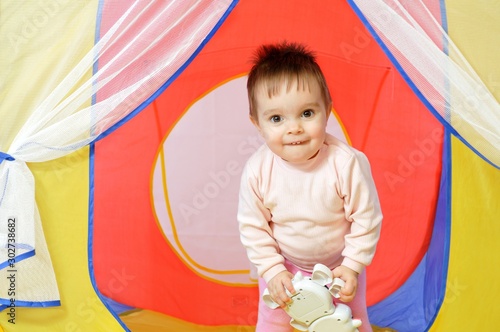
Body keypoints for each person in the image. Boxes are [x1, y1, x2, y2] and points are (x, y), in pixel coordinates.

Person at [237, 41, 383, 332]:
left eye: (306, 113)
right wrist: (273, 269)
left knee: (347, 323)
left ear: (327, 110)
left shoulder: (346, 163)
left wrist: (352, 265)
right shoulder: (257, 171)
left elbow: (366, 219)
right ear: (257, 124)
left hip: (338, 268)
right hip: (284, 267)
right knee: (274, 323)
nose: (294, 128)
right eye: (277, 118)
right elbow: (253, 227)